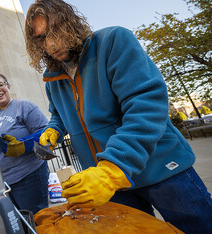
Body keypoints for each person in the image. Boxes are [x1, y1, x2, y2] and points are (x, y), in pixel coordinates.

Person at [24, 0, 212, 232]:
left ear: (70, 23)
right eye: (41, 38)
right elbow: (59, 115)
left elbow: (146, 106)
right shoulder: (52, 78)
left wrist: (113, 170)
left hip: (160, 169)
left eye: (54, 32)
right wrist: (54, 129)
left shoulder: (113, 41)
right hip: (108, 184)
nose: (51, 44)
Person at [0, 72, 49, 214]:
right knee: (18, 225)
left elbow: (47, 132)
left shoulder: (24, 106)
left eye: (1, 85)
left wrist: (24, 144)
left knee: (36, 221)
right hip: (3, 182)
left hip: (29, 176)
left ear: (8, 86)